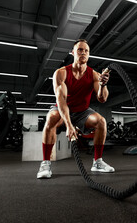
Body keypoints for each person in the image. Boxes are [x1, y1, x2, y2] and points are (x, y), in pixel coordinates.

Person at [37, 39, 115, 179]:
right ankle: (46, 163)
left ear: (89, 55)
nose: (83, 53)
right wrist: (68, 125)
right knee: (51, 119)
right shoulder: (61, 73)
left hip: (83, 111)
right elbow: (61, 100)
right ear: (73, 52)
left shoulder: (94, 75)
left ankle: (97, 162)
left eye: (86, 51)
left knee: (101, 122)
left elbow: (102, 99)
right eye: (80, 50)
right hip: (62, 109)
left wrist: (103, 85)